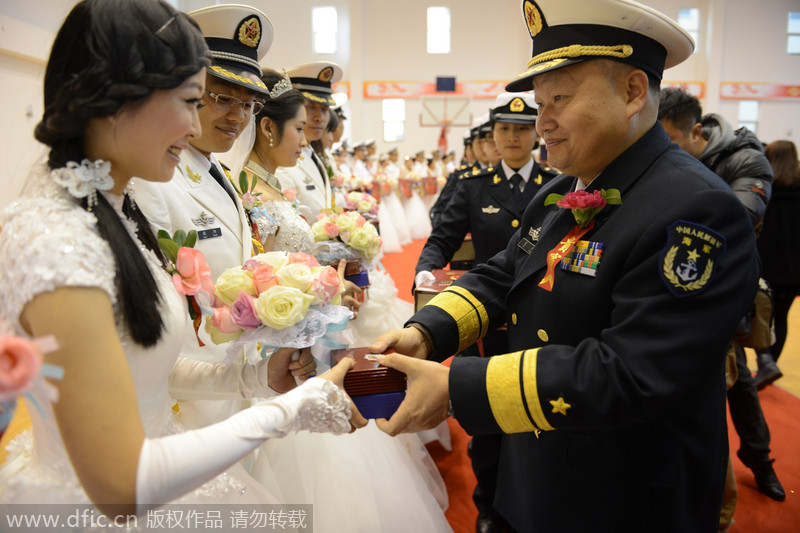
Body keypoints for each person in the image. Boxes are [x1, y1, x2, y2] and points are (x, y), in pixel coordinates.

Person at [369, 1, 761, 531]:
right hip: (539, 470)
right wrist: (426, 333)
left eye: (560, 97)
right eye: (538, 102)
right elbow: (506, 273)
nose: (541, 121)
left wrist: (458, 388)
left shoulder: (696, 209)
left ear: (632, 92)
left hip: (625, 493)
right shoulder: (563, 190)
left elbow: (631, 372)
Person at [0, 0, 361, 519]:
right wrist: (291, 410)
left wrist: (256, 381)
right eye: (192, 101)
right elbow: (120, 486)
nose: (196, 126)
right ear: (116, 98)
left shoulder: (116, 215)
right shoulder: (58, 243)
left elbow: (149, 367)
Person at [231, 71, 452, 533]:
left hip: (311, 316)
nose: (304, 136)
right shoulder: (248, 192)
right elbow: (257, 268)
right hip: (284, 331)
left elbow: (295, 253)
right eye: (297, 127)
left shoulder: (273, 183)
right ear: (270, 129)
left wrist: (332, 273)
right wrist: (321, 283)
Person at [132, 5, 317, 434]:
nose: (237, 117)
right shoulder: (155, 178)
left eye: (248, 104)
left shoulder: (215, 169)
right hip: (186, 405)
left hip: (230, 388)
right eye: (221, 99)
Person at [414, 92, 557, 533]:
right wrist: (424, 271)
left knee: (537, 416)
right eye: (504, 129)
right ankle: (488, 510)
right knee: (485, 421)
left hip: (539, 322)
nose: (513, 137)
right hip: (483, 323)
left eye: (521, 128)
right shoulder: (474, 183)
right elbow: (445, 236)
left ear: (536, 132)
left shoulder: (556, 187)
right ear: (492, 136)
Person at [658, 87, 784, 502]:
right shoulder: (670, 159)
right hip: (671, 294)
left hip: (727, 291)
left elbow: (733, 223)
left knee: (737, 382)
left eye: (671, 143)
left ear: (696, 131)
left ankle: (760, 460)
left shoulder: (746, 160)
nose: (663, 153)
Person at [755, 140, 800, 385]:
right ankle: (770, 364)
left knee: (758, 314)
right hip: (794, 269)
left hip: (767, 265)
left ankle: (764, 360)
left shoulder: (766, 190)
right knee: (781, 318)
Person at [276, 61, 343, 221]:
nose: (319, 118)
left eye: (324, 110)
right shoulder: (282, 159)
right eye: (311, 107)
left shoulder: (313, 153)